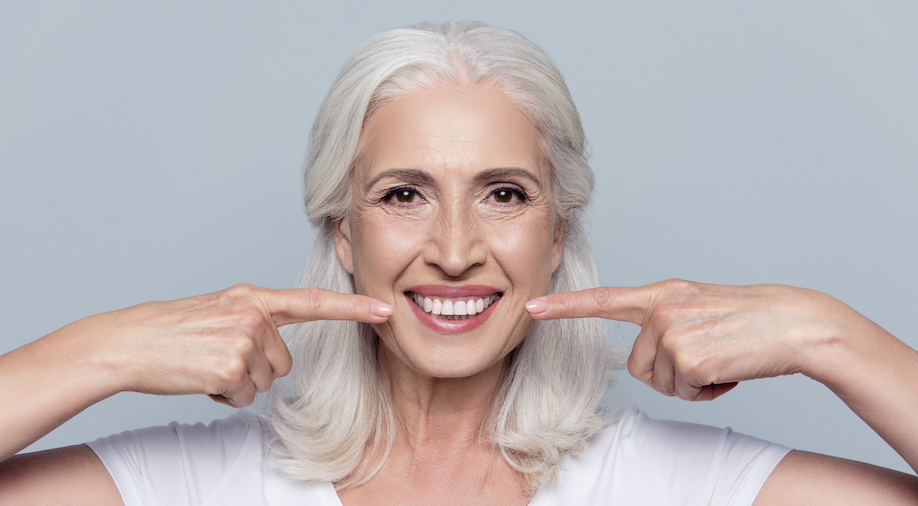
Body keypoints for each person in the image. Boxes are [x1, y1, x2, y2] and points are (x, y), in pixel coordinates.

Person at [1, 20, 917, 505]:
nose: (451, 251)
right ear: (341, 234)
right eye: (403, 194)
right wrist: (104, 351)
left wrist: (824, 333)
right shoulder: (191, 486)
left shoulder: (684, 485)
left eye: (505, 194)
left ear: (556, 234)